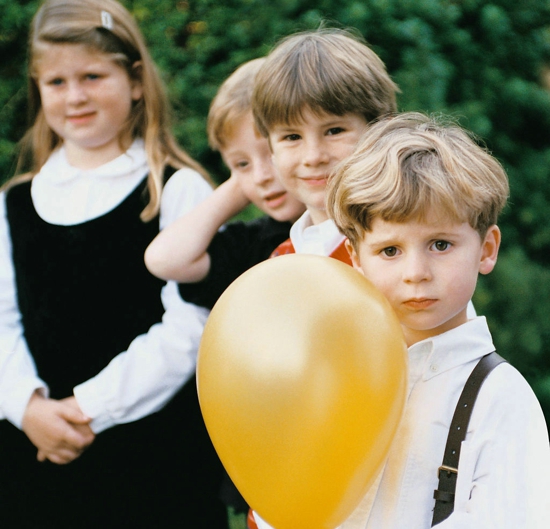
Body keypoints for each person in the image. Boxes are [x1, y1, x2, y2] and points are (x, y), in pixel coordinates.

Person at [257, 112, 550, 528]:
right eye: (390, 251)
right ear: (356, 260)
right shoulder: (333, 377)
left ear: (486, 249)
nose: (416, 272)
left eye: (440, 244)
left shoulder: (500, 399)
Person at [0, 0, 229, 527]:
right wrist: (28, 409)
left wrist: (85, 409)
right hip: (35, 458)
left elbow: (193, 326)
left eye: (92, 76)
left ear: (136, 82)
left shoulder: (176, 190)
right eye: (56, 82)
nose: (74, 96)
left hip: (152, 464)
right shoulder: (15, 203)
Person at [145, 57, 305, 309]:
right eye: (241, 164)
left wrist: (247, 171)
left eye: (272, 155)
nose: (261, 176)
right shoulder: (254, 244)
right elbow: (165, 259)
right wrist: (239, 186)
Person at [250, 28, 398, 264]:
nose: (313, 157)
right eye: (291, 137)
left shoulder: (400, 250)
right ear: (271, 150)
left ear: (382, 132)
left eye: (334, 131)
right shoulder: (283, 260)